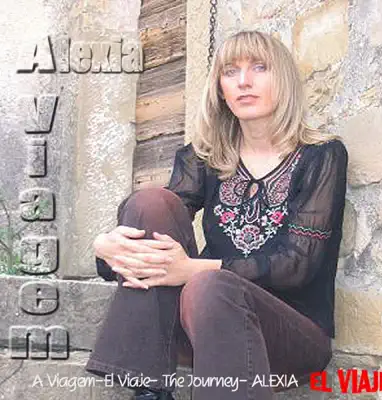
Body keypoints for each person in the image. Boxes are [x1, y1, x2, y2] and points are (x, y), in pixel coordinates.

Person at [85, 30, 348, 400]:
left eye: (259, 68)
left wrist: (192, 270)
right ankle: (149, 389)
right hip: (201, 324)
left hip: (290, 336)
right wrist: (105, 247)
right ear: (220, 88)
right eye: (230, 71)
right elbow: (152, 222)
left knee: (208, 285)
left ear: (284, 79)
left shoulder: (321, 156)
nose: (243, 81)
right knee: (150, 202)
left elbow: (296, 266)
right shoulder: (204, 157)